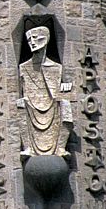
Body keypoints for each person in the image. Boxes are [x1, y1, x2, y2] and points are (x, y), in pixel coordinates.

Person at [16, 26, 73, 157]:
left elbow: (65, 90)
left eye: (35, 38)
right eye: (29, 39)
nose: (32, 42)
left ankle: (60, 148)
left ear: (46, 39)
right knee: (20, 103)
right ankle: (28, 148)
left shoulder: (56, 67)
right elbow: (23, 90)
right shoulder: (23, 67)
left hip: (52, 105)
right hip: (31, 106)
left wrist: (65, 88)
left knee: (66, 105)